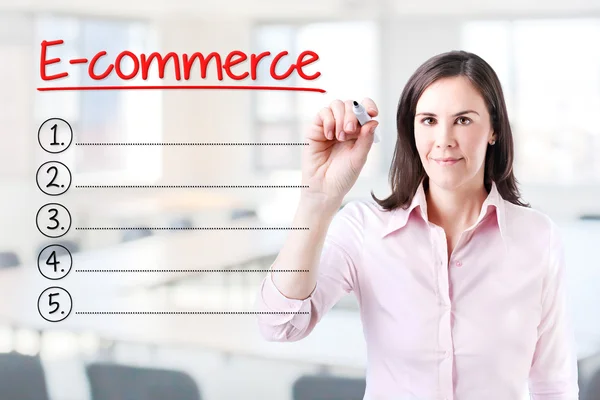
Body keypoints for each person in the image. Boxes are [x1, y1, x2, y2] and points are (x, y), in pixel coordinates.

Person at [254, 50, 579, 399]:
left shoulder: (536, 238)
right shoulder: (365, 229)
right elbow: (280, 325)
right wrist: (316, 201)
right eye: (428, 120)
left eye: (463, 120)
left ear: (495, 129)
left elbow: (554, 384)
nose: (444, 139)